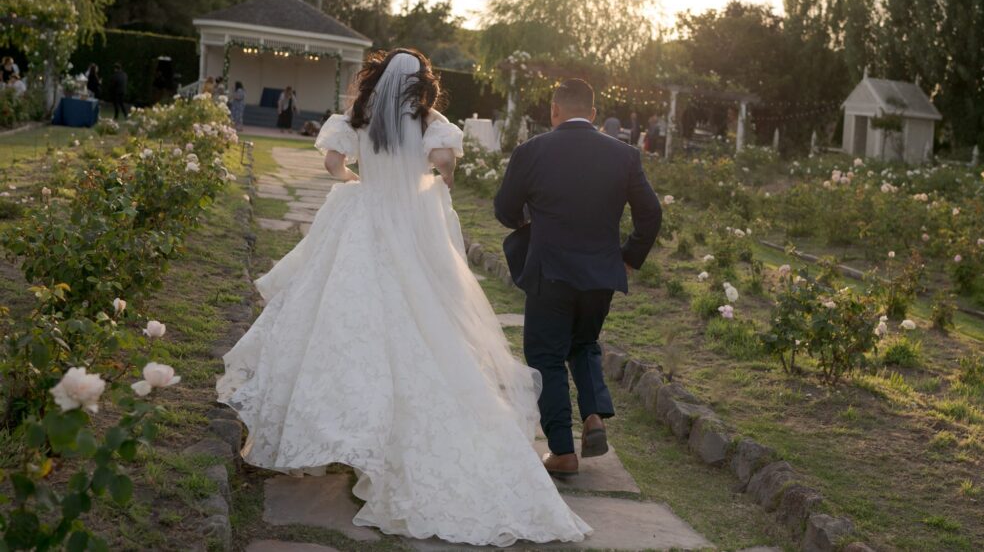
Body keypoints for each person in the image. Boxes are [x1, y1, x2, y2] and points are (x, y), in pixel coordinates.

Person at [217, 49, 590, 546]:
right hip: (410, 228)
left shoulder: (358, 114)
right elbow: (445, 165)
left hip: (363, 221)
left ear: (379, 78)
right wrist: (434, 179)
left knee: (342, 320)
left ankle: (341, 429)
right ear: (420, 84)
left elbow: (332, 162)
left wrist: (355, 182)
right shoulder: (429, 119)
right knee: (423, 320)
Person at [494, 79, 662, 477]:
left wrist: (527, 222)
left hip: (550, 271)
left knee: (545, 354)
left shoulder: (532, 151)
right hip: (601, 273)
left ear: (554, 111)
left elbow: (504, 208)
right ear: (593, 114)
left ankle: (562, 450)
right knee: (584, 343)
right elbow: (650, 213)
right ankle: (594, 416)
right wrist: (630, 258)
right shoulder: (625, 155)